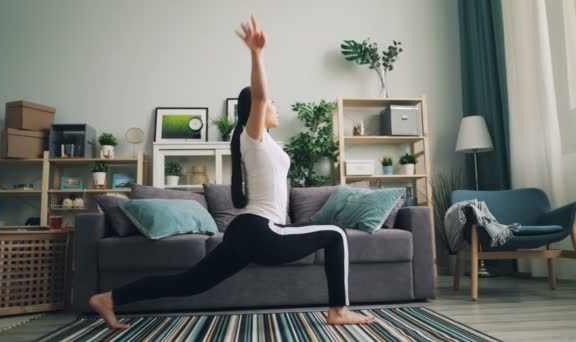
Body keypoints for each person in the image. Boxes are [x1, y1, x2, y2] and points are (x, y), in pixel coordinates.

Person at [89, 15, 375, 329]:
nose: (277, 108)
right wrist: (256, 53)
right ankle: (338, 310)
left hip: (247, 231)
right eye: (272, 104)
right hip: (261, 230)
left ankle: (109, 299)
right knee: (336, 235)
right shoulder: (252, 137)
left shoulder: (262, 144)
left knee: (190, 283)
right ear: (256, 110)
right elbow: (261, 96)